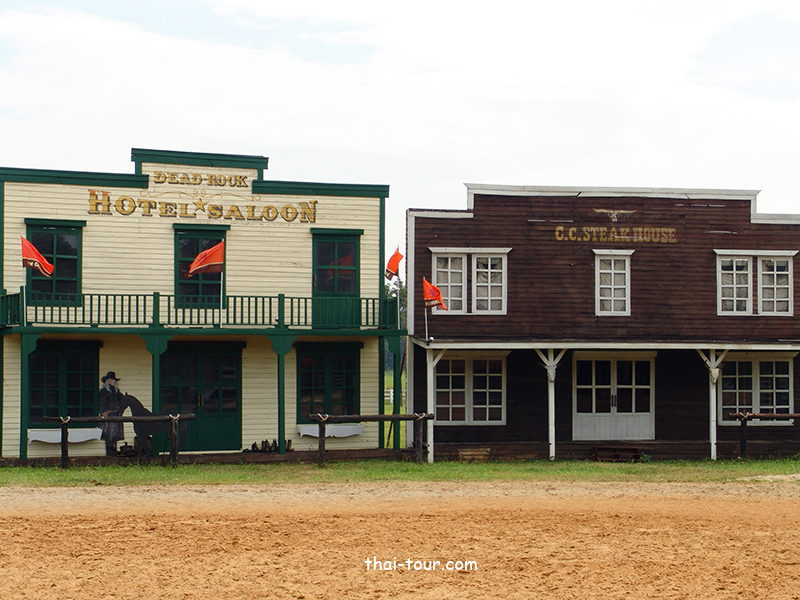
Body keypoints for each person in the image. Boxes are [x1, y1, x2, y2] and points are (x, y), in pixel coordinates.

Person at [99, 371, 124, 456]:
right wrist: (103, 412)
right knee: (109, 434)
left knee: (115, 434)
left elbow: (121, 403)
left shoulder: (117, 393)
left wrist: (119, 411)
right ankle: (109, 451)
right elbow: (101, 404)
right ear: (108, 381)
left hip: (116, 414)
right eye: (112, 380)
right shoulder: (103, 392)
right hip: (108, 415)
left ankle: (114, 449)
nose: (114, 381)